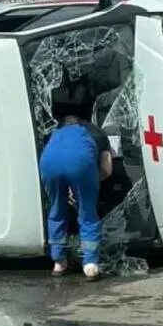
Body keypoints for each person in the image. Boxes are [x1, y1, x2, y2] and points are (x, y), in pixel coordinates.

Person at [39, 113, 114, 279]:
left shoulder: (53, 134)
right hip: (81, 162)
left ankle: (59, 263)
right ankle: (90, 264)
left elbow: (58, 159)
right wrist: (85, 184)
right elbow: (107, 170)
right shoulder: (96, 132)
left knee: (56, 210)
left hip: (48, 162)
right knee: (87, 213)